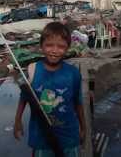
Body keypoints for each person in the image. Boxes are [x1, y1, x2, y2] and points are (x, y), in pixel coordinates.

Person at [14, 22, 86, 157]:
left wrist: (83, 128)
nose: (54, 50)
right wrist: (17, 121)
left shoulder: (73, 73)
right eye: (49, 45)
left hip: (69, 138)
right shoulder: (33, 70)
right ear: (41, 46)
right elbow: (24, 97)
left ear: (67, 48)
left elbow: (78, 103)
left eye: (61, 46)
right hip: (42, 139)